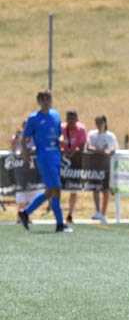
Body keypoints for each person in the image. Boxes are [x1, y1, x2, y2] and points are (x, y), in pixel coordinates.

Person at [18, 91, 71, 232]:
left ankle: (25, 213)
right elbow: (24, 139)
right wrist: (25, 154)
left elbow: (58, 134)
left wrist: (62, 141)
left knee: (50, 190)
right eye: (44, 99)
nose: (47, 101)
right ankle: (60, 224)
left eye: (49, 99)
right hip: (44, 157)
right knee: (56, 188)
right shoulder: (34, 118)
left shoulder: (55, 115)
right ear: (39, 101)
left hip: (56, 156)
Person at [86, 115, 119, 224]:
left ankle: (103, 214)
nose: (99, 125)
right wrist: (101, 151)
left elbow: (112, 150)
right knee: (95, 188)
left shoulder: (110, 136)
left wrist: (103, 152)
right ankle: (97, 211)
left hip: (106, 166)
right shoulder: (92, 134)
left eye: (101, 122)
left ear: (105, 123)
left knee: (105, 190)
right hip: (95, 165)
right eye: (97, 122)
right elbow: (89, 147)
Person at [62, 109, 88, 225]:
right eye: (69, 118)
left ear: (77, 119)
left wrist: (72, 152)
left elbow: (82, 145)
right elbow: (57, 141)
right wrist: (64, 151)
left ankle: (70, 214)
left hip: (76, 162)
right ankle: (57, 212)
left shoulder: (81, 129)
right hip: (62, 162)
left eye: (73, 118)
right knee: (56, 187)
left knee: (73, 188)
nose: (71, 121)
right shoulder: (61, 128)